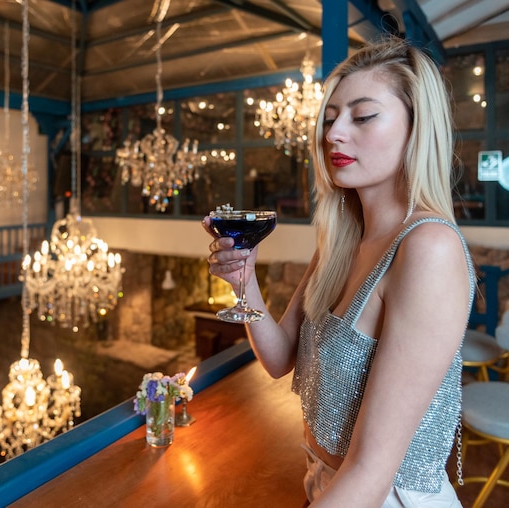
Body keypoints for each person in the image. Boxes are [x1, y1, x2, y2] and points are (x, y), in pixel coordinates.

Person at [203, 36, 475, 507]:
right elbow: (278, 358)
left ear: (418, 127)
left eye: (363, 116)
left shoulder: (428, 248)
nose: (333, 135)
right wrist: (243, 284)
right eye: (329, 120)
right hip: (324, 481)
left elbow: (372, 473)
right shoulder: (342, 241)